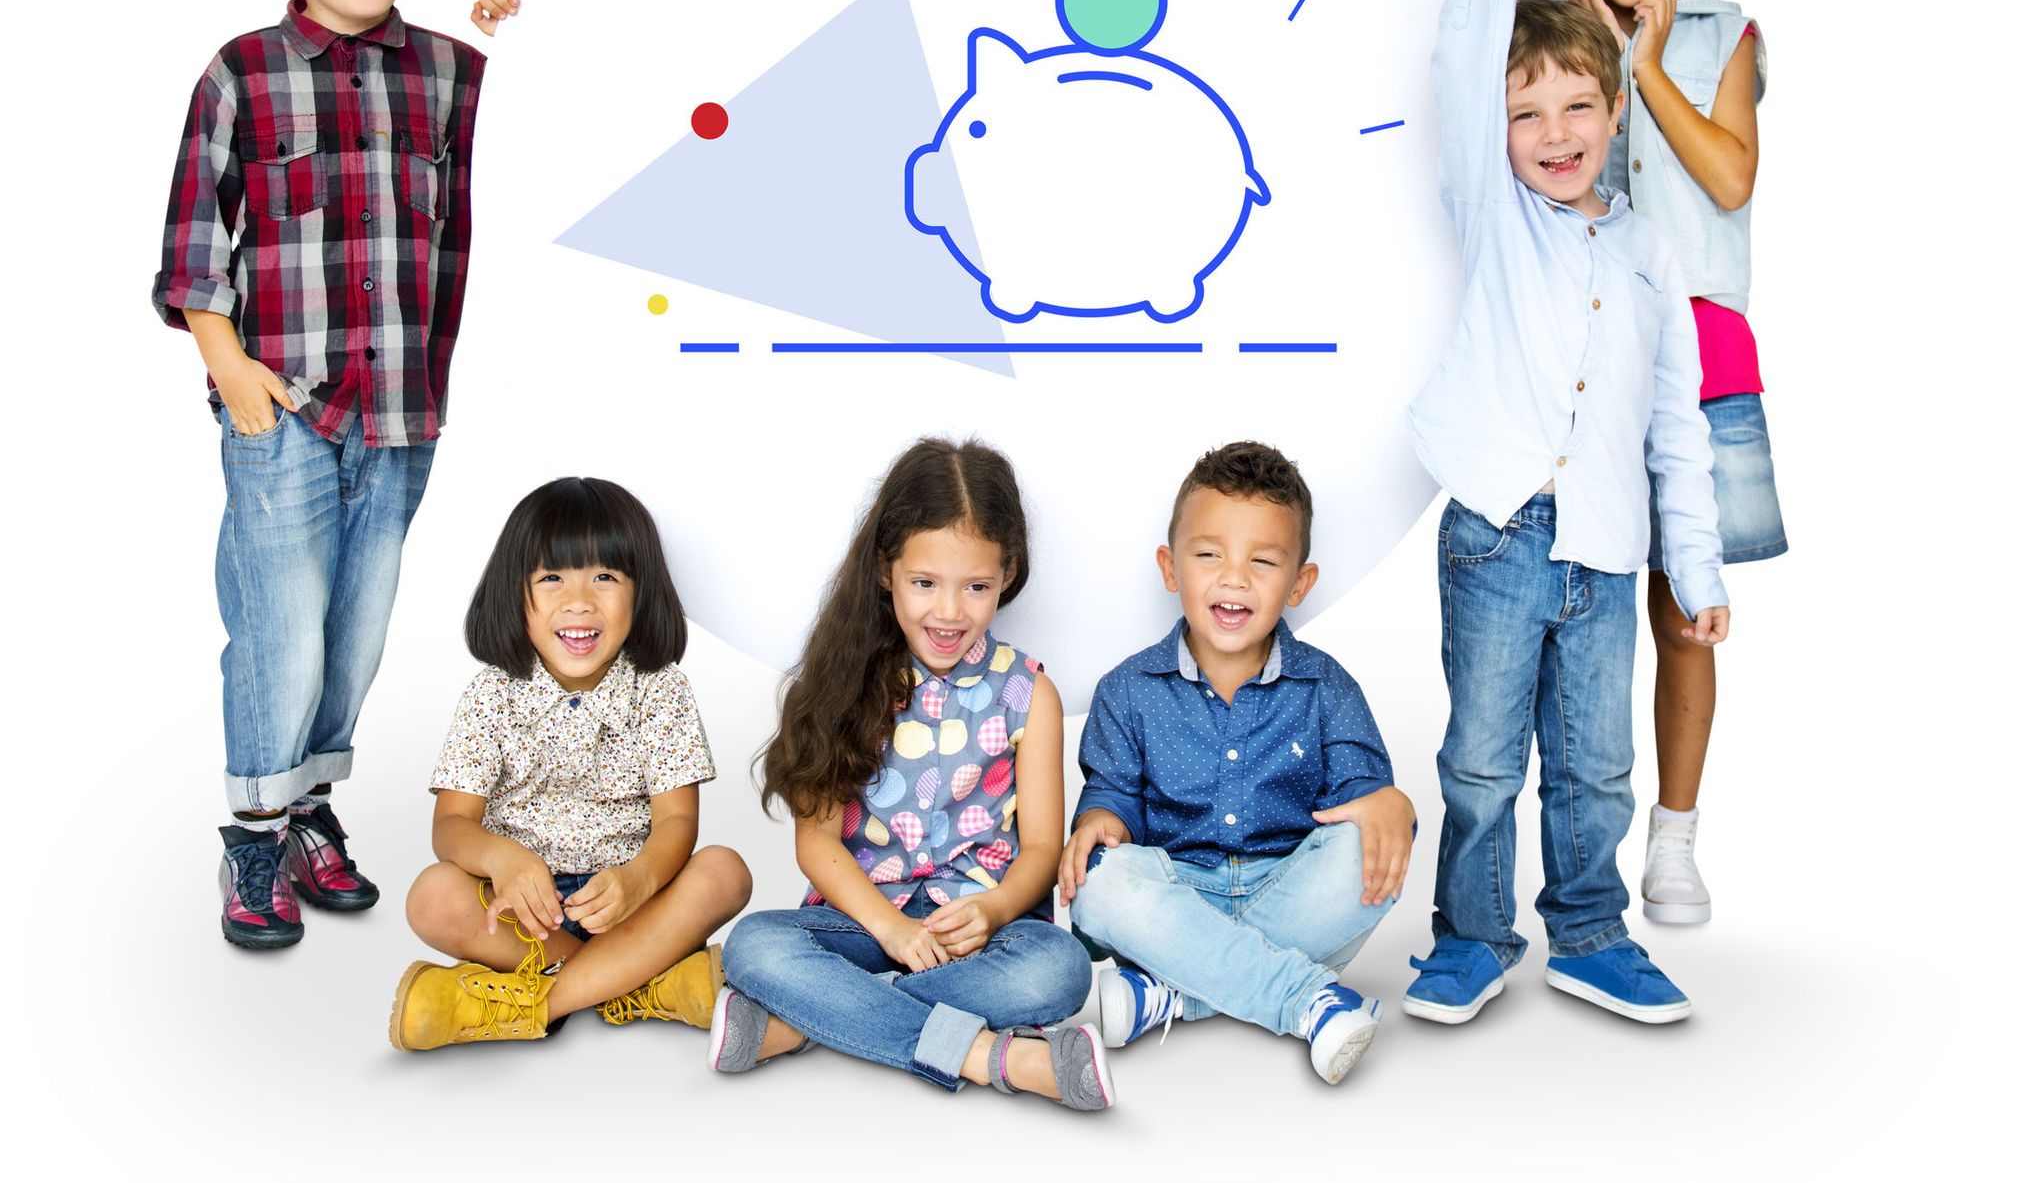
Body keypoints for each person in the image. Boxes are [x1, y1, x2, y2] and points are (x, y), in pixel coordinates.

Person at [152, 0, 517, 949]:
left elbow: (564, 135)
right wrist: (229, 366)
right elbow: (191, 240)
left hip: (402, 411)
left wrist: (531, 20)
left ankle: (310, 802)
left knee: (357, 629)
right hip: (285, 407)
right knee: (283, 630)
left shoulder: (457, 73)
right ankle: (254, 839)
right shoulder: (243, 74)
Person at [1402, 0, 1728, 1028]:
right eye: (1523, 113)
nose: (1552, 134)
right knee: (1483, 761)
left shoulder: (1648, 253)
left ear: (1613, 106)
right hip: (1495, 534)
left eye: (1575, 107)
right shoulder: (1495, 217)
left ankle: (1589, 933)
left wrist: (1691, 567)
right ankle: (1470, 938)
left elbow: (1674, 431)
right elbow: (1456, 71)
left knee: (1592, 767)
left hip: (1602, 545)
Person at [709, 438, 1108, 1109]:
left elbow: (1041, 848)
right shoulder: (841, 683)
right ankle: (987, 1055)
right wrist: (891, 930)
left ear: (1006, 574)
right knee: (753, 945)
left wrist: (996, 908)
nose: (949, 613)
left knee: (1060, 970)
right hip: (866, 922)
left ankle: (818, 1020)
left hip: (983, 933)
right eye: (925, 583)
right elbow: (817, 843)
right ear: (885, 570)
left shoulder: (1027, 693)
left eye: (975, 586)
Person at [1556, 0, 1784, 925]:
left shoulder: (1721, 33)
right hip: (1586, 346)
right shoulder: (1551, 32)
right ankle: (1579, 848)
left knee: (1684, 604)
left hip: (1699, 346)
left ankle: (1676, 839)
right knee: (1585, 596)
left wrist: (1642, 61)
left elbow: (1729, 179)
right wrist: (1580, 38)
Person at [1059, 441, 1410, 1087]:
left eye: (1264, 561)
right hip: (1176, 891)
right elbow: (1112, 799)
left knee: (1377, 844)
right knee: (1099, 880)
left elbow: (1364, 795)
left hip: (1290, 886)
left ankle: (1176, 991)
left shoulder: (1328, 689)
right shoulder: (1127, 691)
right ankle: (1308, 998)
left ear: (1301, 583)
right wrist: (1100, 820)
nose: (1234, 578)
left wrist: (1390, 803)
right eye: (1209, 554)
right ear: (1171, 567)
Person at [390, 478, 751, 1049]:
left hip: (630, 902)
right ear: (515, 593)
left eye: (605, 577)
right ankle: (637, 981)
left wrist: (639, 879)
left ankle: (528, 1004)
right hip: (528, 913)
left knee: (725, 871)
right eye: (552, 577)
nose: (579, 601)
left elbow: (678, 824)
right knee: (432, 896)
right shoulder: (491, 694)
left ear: (642, 593)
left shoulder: (661, 691)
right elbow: (451, 826)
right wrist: (502, 859)